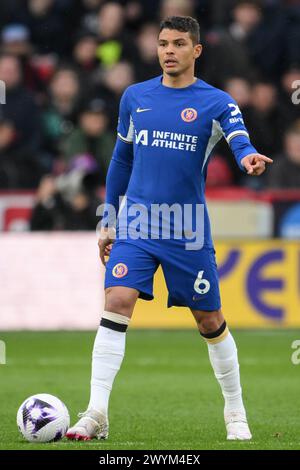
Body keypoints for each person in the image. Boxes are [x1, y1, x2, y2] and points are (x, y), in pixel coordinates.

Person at [66, 16, 272, 442]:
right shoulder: (134, 97)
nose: (168, 51)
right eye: (163, 43)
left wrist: (247, 157)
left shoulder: (216, 102)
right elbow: (121, 161)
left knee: (209, 319)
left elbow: (238, 138)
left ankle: (235, 411)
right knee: (117, 298)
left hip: (187, 227)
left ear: (196, 50)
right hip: (137, 221)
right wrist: (109, 220)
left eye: (179, 43)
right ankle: (96, 412)